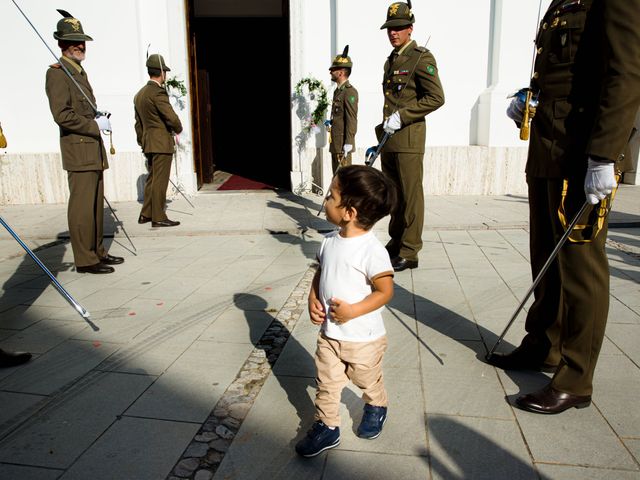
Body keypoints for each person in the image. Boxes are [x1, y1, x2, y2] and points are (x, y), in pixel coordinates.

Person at [488, 0, 640, 414]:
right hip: (548, 146)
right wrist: (527, 98)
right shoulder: (561, 2)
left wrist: (606, 155)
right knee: (546, 258)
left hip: (582, 151)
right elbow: (560, 72)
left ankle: (576, 378)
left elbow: (626, 73)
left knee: (580, 267)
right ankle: (544, 344)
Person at [295, 165, 397, 457]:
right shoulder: (328, 242)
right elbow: (321, 272)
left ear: (349, 212)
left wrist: (353, 311)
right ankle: (327, 426)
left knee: (365, 379)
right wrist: (313, 297)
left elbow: (385, 291)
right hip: (329, 333)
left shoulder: (371, 250)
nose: (325, 201)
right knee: (326, 382)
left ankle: (376, 404)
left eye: (330, 196)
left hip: (363, 338)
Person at [45, 10, 123, 274]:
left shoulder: (78, 72)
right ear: (61, 44)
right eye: (73, 41)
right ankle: (85, 260)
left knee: (95, 206)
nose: (79, 45)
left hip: (91, 148)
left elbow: (81, 109)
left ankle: (97, 252)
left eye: (81, 41)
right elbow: (62, 115)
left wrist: (97, 116)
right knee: (81, 207)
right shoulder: (58, 73)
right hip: (78, 150)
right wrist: (93, 125)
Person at [376, 1, 444, 272]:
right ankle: (396, 242)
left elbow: (436, 97)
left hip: (409, 140)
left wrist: (402, 116)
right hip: (391, 139)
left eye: (399, 28)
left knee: (411, 195)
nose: (393, 33)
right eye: (390, 28)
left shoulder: (421, 57)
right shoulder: (391, 60)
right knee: (395, 196)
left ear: (410, 28)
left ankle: (410, 250)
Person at [134, 54, 183, 227]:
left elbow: (138, 124)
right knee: (160, 181)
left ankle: (146, 213)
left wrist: (142, 141)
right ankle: (158, 216)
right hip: (161, 142)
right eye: (165, 72)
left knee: (152, 179)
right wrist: (178, 128)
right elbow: (170, 116)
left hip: (149, 142)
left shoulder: (139, 94)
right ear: (161, 73)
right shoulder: (158, 93)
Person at [327, 46, 358, 173]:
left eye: (333, 69)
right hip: (336, 144)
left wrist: (349, 142)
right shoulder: (338, 91)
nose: (330, 72)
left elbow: (352, 118)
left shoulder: (349, 92)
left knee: (344, 181)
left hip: (343, 145)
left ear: (341, 72)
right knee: (337, 179)